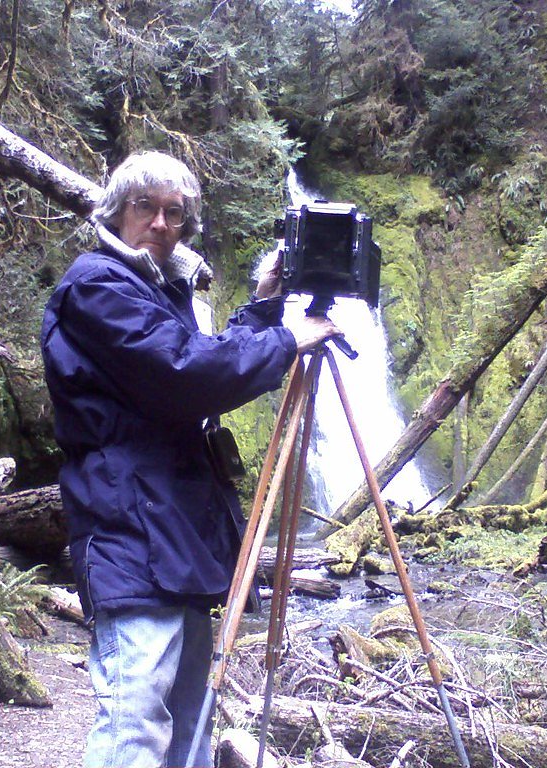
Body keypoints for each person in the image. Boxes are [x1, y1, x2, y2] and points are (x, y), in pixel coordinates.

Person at [40, 151, 340, 768]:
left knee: (189, 722)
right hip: (130, 530)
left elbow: (193, 354)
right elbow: (184, 372)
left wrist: (264, 307)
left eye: (174, 212)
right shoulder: (97, 284)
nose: (159, 222)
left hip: (174, 533)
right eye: (145, 207)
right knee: (136, 719)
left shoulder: (154, 289)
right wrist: (287, 339)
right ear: (117, 210)